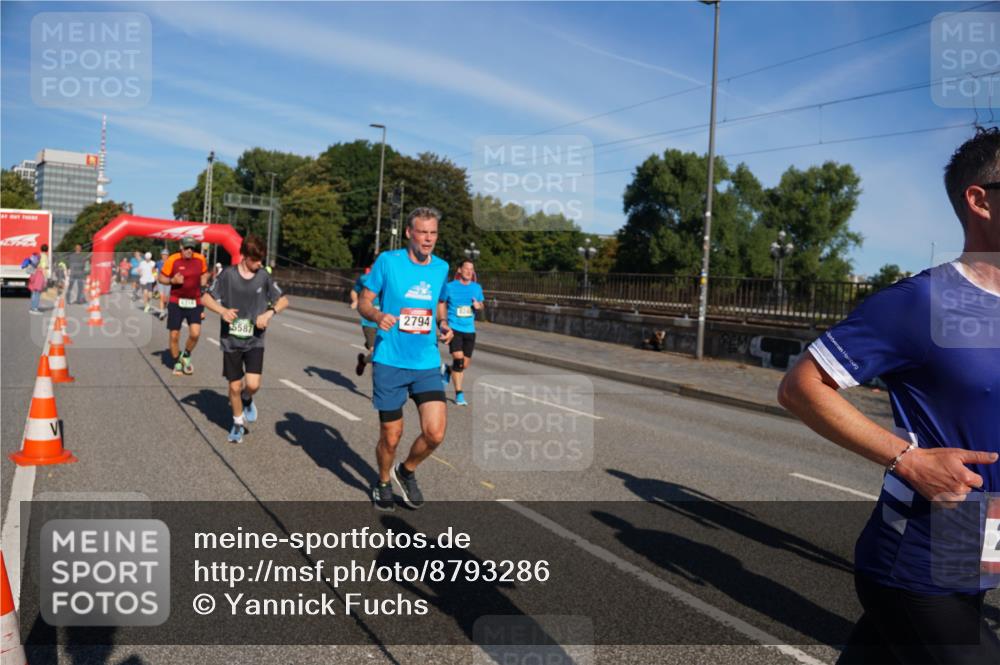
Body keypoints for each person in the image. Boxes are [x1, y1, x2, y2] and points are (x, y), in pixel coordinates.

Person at [779, 127, 1000, 664]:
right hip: (918, 560)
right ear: (980, 200)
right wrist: (907, 459)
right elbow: (800, 385)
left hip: (978, 556)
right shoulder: (924, 301)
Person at [358, 207, 453, 511]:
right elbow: (364, 300)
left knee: (435, 433)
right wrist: (376, 315)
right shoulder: (388, 261)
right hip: (390, 360)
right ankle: (384, 481)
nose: (428, 239)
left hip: (425, 361)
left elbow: (439, 304)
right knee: (391, 436)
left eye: (433, 233)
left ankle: (407, 470)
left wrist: (443, 324)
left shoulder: (441, 267)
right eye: (422, 232)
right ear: (410, 233)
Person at [201, 235, 288, 444]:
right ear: (244, 257)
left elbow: (284, 300)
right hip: (231, 339)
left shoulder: (263, 277)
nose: (260, 264)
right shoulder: (227, 275)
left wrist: (269, 313)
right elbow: (205, 297)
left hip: (254, 339)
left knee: (253, 384)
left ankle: (247, 399)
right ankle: (237, 424)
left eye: (261, 260)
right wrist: (222, 310)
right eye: (255, 260)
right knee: (233, 387)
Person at [158, 236, 209, 376]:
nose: (189, 250)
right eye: (186, 247)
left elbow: (205, 273)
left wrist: (203, 283)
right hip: (176, 301)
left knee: (195, 333)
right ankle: (177, 362)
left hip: (195, 301)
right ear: (181, 247)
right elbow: (161, 278)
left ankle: (186, 354)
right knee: (174, 336)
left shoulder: (200, 259)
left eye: (192, 248)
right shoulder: (173, 259)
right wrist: (172, 280)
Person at [441, 258, 484, 406]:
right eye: (466, 269)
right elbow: (441, 303)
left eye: (471, 270)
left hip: (469, 330)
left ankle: (447, 370)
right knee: (458, 360)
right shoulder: (449, 287)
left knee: (464, 365)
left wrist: (479, 306)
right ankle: (459, 394)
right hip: (455, 329)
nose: (469, 272)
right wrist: (443, 322)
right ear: (459, 270)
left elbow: (481, 304)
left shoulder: (477, 288)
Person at [351, 267, 379, 377]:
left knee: (380, 354)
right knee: (375, 352)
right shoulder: (365, 278)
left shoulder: (392, 279)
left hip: (386, 321)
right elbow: (354, 291)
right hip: (369, 321)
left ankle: (363, 360)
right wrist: (356, 301)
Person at [25, 250, 44, 314]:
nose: (39, 260)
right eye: (39, 259)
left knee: (34, 294)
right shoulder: (35, 266)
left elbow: (29, 273)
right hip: (36, 283)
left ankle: (33, 308)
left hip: (34, 282)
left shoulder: (32, 265)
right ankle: (34, 309)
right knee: (36, 294)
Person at [155, 248, 170, 319]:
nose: (164, 256)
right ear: (161, 255)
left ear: (168, 255)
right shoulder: (158, 263)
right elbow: (153, 269)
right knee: (161, 297)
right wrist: (155, 275)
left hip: (168, 282)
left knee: (166, 299)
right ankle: (161, 312)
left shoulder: (170, 262)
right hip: (160, 282)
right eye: (163, 255)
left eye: (166, 255)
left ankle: (165, 308)